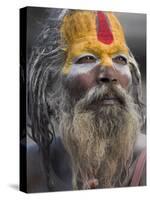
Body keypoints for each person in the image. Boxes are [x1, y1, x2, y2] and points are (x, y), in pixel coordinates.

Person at [26, 9, 146, 192]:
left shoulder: (145, 161)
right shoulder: (29, 164)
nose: (109, 74)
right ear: (53, 83)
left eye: (120, 59)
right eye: (87, 58)